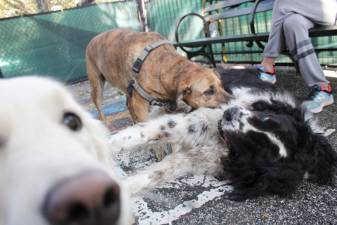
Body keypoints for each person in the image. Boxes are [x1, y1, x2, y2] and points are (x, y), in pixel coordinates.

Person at [257, 0, 337, 113]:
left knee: (282, 2)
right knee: (292, 23)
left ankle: (268, 64)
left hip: (328, 8)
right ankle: (323, 88)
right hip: (306, 9)